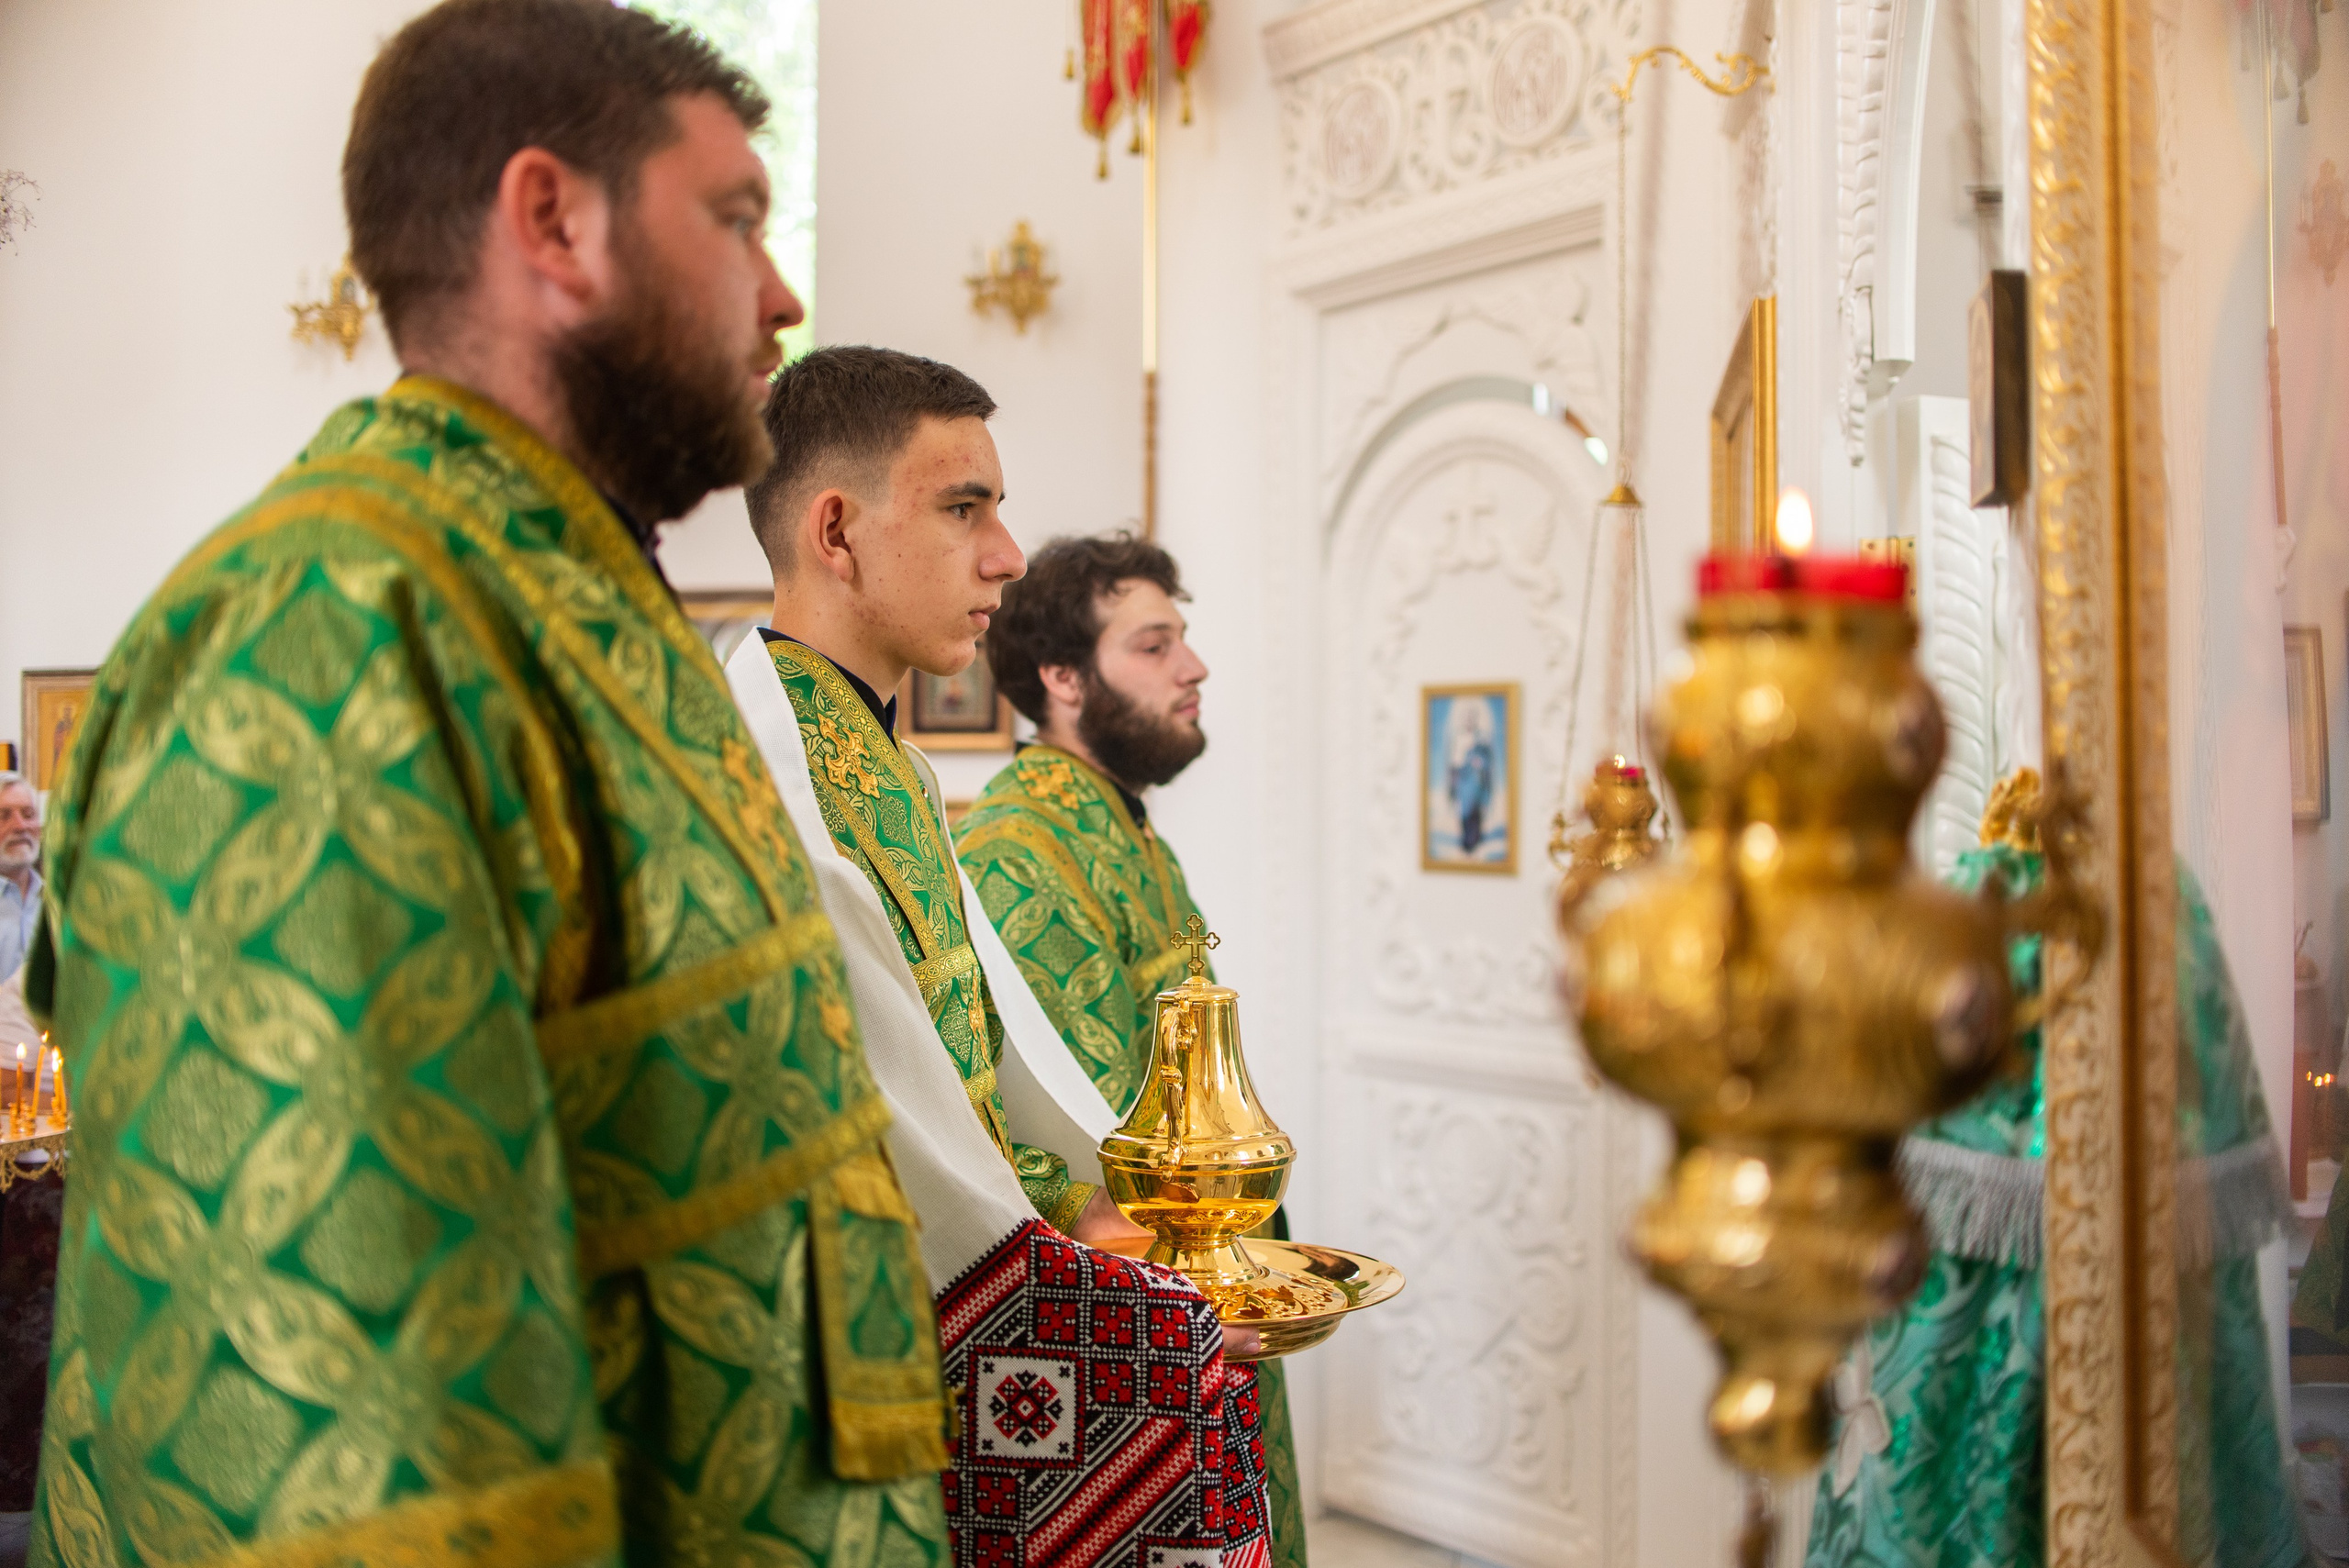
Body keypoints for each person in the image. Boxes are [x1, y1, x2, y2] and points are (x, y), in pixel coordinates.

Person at [23, 9, 953, 1568]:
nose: (784, 293)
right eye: (736, 220)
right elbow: (346, 1426)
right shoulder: (333, 622)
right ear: (552, 220)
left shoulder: (577, 594)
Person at [724, 346, 1275, 1568]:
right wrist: (1125, 1282)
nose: (1006, 554)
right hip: (863, 1350)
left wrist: (1129, 1211)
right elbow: (887, 1126)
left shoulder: (885, 762)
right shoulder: (777, 776)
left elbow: (989, 1049)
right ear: (837, 531)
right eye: (963, 507)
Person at [953, 534, 1308, 1568]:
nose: (1191, 666)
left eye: (1181, 638)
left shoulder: (1128, 831)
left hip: (1211, 1286)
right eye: (1154, 644)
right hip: (1147, 1322)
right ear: (1063, 678)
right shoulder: (1020, 851)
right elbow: (1095, 1142)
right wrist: (1206, 1300)